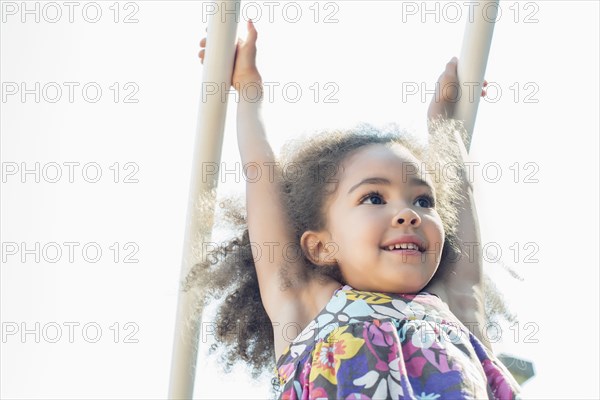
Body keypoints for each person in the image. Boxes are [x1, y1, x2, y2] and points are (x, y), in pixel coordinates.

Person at [190, 20, 520, 399]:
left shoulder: (456, 307)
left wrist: (443, 124)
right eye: (374, 198)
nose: (408, 214)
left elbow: (461, 192)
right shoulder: (308, 304)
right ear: (320, 245)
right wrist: (249, 91)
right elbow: (261, 175)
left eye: (423, 201)